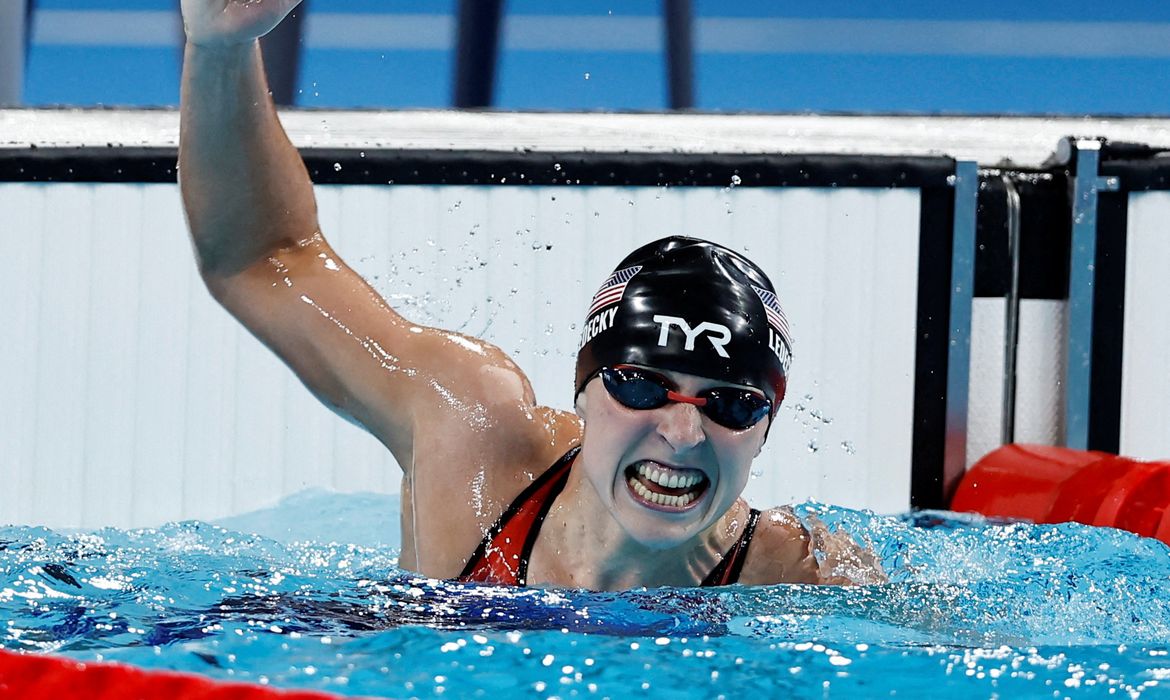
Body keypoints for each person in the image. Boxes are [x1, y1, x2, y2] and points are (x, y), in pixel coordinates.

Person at [178, 0, 885, 590]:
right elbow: (261, 258)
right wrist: (219, 49)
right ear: (583, 391)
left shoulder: (800, 576)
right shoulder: (470, 436)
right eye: (642, 386)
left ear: (765, 430)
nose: (682, 434)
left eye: (731, 403)